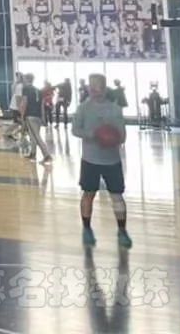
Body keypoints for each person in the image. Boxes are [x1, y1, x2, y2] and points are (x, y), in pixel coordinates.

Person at [71, 74, 130, 248]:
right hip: (90, 160)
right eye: (91, 86)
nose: (94, 89)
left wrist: (111, 138)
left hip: (112, 160)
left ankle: (122, 231)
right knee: (88, 193)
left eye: (97, 86)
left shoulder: (115, 109)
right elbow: (75, 130)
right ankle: (86, 229)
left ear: (104, 88)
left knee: (117, 195)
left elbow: (122, 136)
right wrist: (94, 134)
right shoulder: (83, 108)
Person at [20, 73, 52, 163]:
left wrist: (22, 116)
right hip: (38, 116)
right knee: (33, 135)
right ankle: (33, 154)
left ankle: (47, 155)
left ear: (26, 79)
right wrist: (43, 117)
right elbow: (42, 105)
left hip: (30, 115)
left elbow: (24, 102)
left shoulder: (26, 89)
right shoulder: (39, 90)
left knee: (37, 136)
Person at [4, 71, 24, 140]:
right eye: (17, 76)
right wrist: (19, 107)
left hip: (16, 105)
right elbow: (18, 97)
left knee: (19, 122)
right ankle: (8, 133)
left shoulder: (18, 85)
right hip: (16, 106)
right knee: (17, 122)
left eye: (18, 76)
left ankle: (10, 133)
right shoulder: (18, 85)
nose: (18, 78)